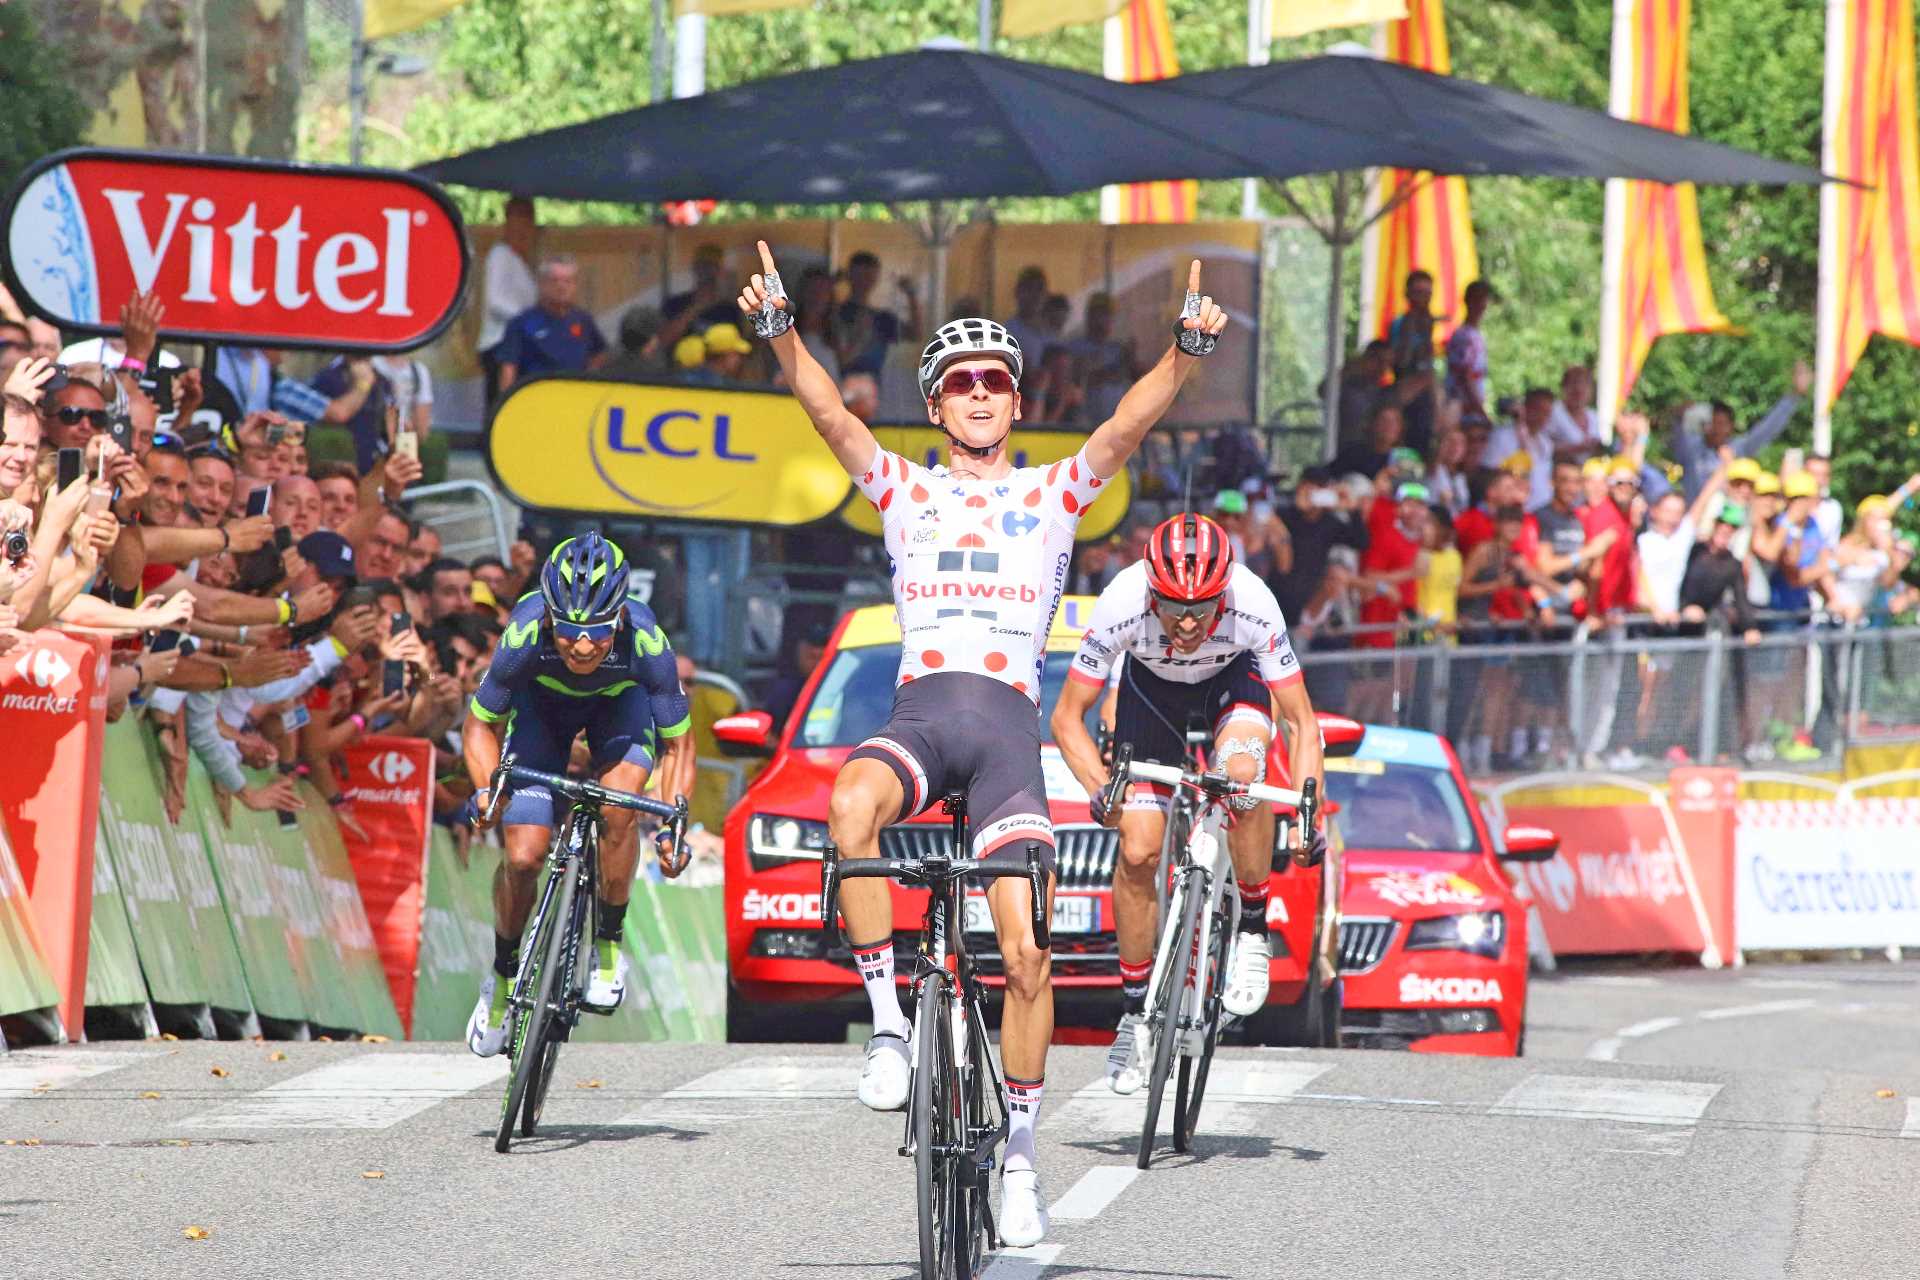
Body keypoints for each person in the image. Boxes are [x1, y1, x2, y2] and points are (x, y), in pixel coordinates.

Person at [738, 240, 1228, 1248]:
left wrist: (1182, 351)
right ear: (937, 405)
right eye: (958, 382)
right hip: (921, 716)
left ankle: (1017, 1162)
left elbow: (1127, 426)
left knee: (1029, 956)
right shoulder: (904, 490)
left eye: (993, 381)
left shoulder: (1052, 491)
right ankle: (885, 1027)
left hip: (1006, 732)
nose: (976, 393)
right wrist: (782, 331)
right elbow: (829, 413)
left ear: (1012, 400)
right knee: (847, 806)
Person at [1051, 512, 1322, 1094]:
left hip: (1234, 683)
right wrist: (1100, 788)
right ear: (1151, 591)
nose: (1190, 622)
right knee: (1140, 850)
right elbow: (1066, 718)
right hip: (1152, 695)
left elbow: (1301, 723)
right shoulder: (1121, 600)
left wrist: (1307, 815)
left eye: (1204, 608)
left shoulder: (1254, 601)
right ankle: (1132, 1012)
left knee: (1242, 779)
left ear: (1226, 592)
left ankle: (1252, 928)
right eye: (1174, 608)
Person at [462, 534, 696, 1053]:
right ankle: (501, 978)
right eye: (569, 633)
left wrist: (674, 823)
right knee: (523, 857)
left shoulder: (648, 642)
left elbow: (679, 746)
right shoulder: (523, 634)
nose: (584, 646)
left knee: (619, 810)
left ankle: (607, 944)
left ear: (618, 617)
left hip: (621, 711)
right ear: (549, 618)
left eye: (597, 633)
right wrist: (485, 791)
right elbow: (478, 727)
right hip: (541, 714)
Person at [1668, 361, 1814, 502]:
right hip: (1694, 520)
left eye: (1722, 424)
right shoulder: (1692, 449)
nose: (1717, 429)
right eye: (1713, 423)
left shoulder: (1738, 449)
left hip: (1728, 522)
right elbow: (1676, 435)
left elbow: (1767, 429)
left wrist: (1794, 397)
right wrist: (1678, 416)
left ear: (1731, 427)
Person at [495, 256, 608, 392]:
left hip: (575, 399)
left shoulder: (584, 321)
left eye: (568, 281)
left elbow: (600, 354)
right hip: (536, 400)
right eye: (555, 281)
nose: (562, 287)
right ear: (542, 284)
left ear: (575, 286)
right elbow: (508, 369)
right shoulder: (521, 324)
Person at [477, 196, 539, 408]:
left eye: (527, 221)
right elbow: (495, 301)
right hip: (499, 342)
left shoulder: (521, 262)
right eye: (517, 219)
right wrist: (526, 319)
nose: (522, 228)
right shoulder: (499, 254)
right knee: (499, 403)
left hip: (520, 343)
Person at [834, 250, 917, 387]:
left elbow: (914, 334)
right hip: (837, 384)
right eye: (859, 276)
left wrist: (911, 295)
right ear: (850, 276)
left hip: (872, 390)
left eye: (868, 277)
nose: (863, 282)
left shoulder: (881, 318)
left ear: (875, 279)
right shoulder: (835, 313)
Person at [1385, 270, 1440, 453]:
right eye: (1418, 293)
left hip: (1426, 399)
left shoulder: (1428, 325)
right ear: (1408, 294)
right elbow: (1400, 362)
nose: (1423, 299)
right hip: (1406, 393)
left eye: (1427, 294)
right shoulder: (1400, 324)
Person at [1486, 388, 1557, 511]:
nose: (1542, 416)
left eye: (1547, 412)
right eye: (1538, 410)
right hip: (1511, 511)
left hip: (1542, 509)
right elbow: (1488, 471)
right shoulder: (1502, 436)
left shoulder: (1546, 443)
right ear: (1525, 408)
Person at [1444, 280, 1495, 426]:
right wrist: (1481, 411)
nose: (1481, 305)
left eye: (1484, 300)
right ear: (1467, 301)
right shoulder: (1464, 336)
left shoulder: (1476, 334)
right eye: (1477, 299)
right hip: (1463, 409)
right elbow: (1466, 377)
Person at [1546, 365, 1600, 457]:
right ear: (1563, 387)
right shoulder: (1552, 412)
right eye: (1574, 383)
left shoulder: (1593, 416)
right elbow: (1541, 447)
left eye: (1584, 384)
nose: (1579, 388)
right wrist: (1575, 448)